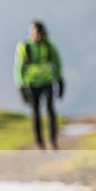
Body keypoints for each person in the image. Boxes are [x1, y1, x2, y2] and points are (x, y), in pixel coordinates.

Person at [14, 21, 65, 149]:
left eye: (40, 33)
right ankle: (40, 142)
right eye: (35, 33)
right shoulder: (25, 47)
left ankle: (53, 140)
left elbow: (57, 63)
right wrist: (20, 86)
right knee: (35, 112)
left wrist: (60, 80)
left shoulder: (49, 46)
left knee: (50, 110)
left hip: (47, 82)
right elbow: (18, 67)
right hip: (31, 85)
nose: (37, 36)